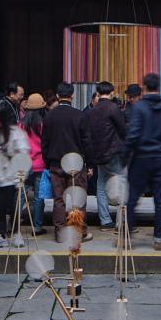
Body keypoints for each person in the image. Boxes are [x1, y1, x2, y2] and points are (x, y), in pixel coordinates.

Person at [124, 73, 161, 250]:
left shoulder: (139, 107)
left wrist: (125, 155)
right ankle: (158, 238)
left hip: (141, 158)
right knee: (159, 199)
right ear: (159, 87)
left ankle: (126, 237)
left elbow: (133, 134)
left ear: (144, 87)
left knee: (133, 198)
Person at [41, 82, 90, 242]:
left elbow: (45, 142)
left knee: (59, 199)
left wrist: (47, 161)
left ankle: (60, 233)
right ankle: (79, 232)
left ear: (57, 96)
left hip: (56, 163)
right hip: (76, 164)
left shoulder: (49, 116)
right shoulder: (79, 115)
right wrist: (89, 163)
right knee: (78, 198)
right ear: (72, 96)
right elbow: (86, 142)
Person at [0, 102, 31, 248]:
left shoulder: (16, 133)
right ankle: (1, 235)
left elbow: (24, 153)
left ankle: (16, 234)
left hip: (13, 177)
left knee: (14, 207)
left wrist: (20, 173)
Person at [83, 81, 127, 231]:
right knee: (122, 183)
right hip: (114, 153)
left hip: (99, 155)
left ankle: (105, 221)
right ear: (112, 92)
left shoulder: (91, 111)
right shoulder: (113, 108)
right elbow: (123, 129)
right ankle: (121, 221)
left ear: (98, 93)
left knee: (101, 187)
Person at [22, 93, 47, 234]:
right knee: (39, 196)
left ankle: (14, 224)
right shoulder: (43, 124)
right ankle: (37, 226)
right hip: (40, 164)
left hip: (24, 164)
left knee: (20, 195)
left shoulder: (21, 124)